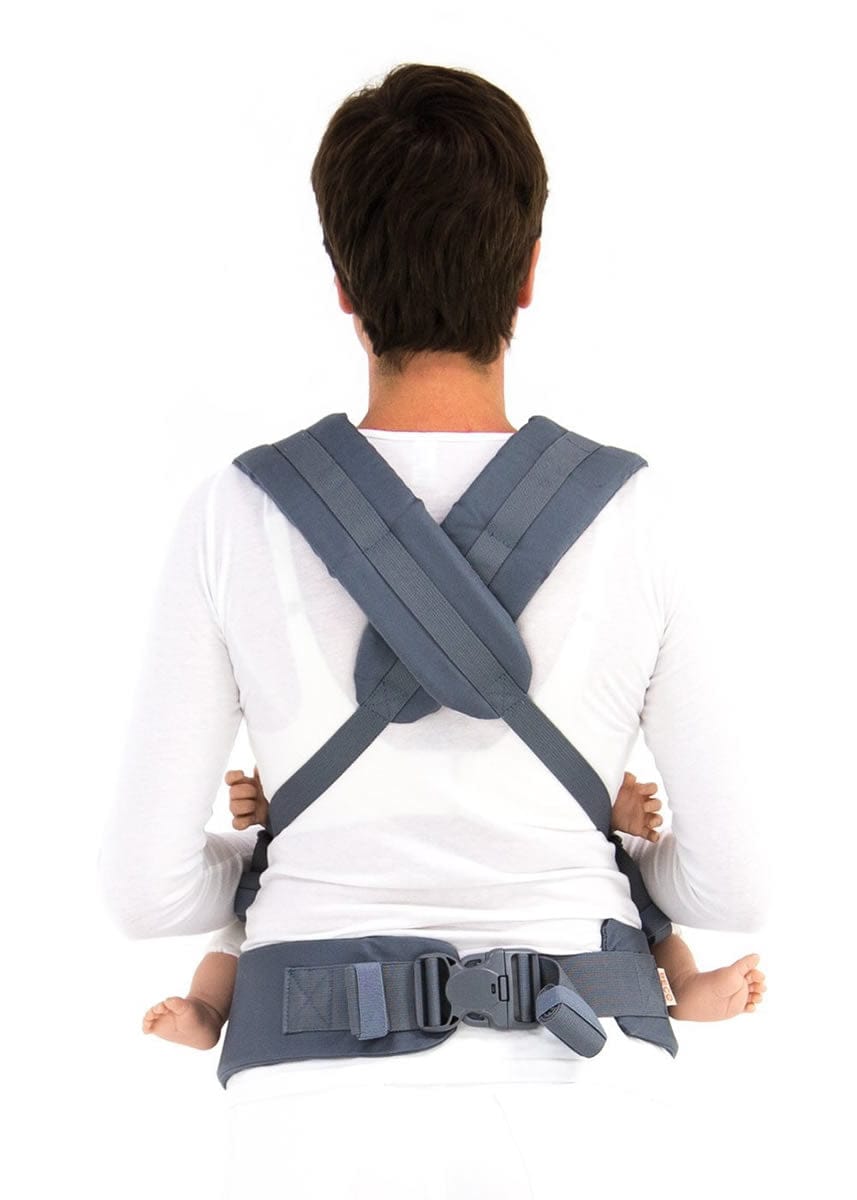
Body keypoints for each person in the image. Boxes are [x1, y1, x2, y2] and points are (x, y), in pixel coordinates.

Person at [98, 61, 771, 1197]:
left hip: (310, 1089)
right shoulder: (637, 514)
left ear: (342, 284)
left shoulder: (236, 512)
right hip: (587, 1081)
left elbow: (143, 892)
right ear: (528, 271)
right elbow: (738, 885)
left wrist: (296, 849)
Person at [142, 768, 766, 1048]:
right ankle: (207, 1010)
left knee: (654, 925)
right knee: (233, 939)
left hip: (577, 935)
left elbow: (650, 912)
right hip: (316, 887)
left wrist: (617, 815)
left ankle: (685, 990)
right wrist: (270, 808)